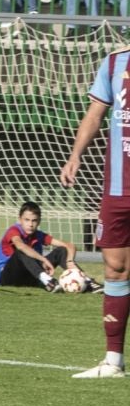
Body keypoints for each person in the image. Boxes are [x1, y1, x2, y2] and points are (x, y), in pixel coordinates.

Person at [59, 49, 130, 375]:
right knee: (115, 269)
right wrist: (75, 155)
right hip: (117, 188)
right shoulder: (115, 61)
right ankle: (113, 361)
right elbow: (95, 113)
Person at [0, 202, 87, 291]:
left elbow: (69, 245)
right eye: (27, 220)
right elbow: (20, 246)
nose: (31, 224)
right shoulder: (13, 231)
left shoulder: (38, 235)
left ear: (39, 221)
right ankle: (48, 281)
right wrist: (43, 260)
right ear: (20, 220)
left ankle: (85, 281)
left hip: (29, 277)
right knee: (22, 251)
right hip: (7, 278)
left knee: (61, 251)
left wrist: (70, 261)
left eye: (34, 220)